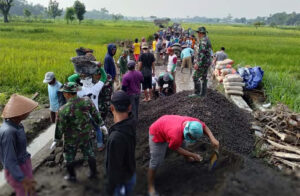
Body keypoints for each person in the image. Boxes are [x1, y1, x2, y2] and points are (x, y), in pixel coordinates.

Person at [147, 115, 219, 196]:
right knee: (156, 162)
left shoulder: (194, 123)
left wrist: (212, 138)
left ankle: (187, 158)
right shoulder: (175, 136)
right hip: (157, 133)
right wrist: (193, 155)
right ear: (187, 132)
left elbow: (204, 126)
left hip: (167, 124)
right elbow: (175, 148)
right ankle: (150, 187)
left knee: (182, 143)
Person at [54, 82, 103, 181]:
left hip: (71, 139)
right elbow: (95, 115)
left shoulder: (63, 109)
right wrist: (101, 124)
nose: (63, 94)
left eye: (64, 92)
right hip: (85, 135)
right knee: (89, 154)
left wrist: (56, 139)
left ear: (67, 93)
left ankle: (72, 176)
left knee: (69, 157)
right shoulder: (87, 101)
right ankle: (93, 173)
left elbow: (60, 127)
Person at [0, 94, 38, 196]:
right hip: (18, 169)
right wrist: (22, 178)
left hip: (24, 164)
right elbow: (9, 160)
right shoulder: (8, 132)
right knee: (24, 192)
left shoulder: (18, 125)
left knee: (30, 191)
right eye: (27, 111)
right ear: (20, 114)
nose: (29, 112)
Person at [106, 90, 136, 196]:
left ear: (112, 108)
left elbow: (113, 169)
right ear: (130, 108)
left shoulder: (115, 138)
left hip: (120, 181)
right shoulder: (132, 122)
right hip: (131, 173)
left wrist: (109, 190)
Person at [74, 57, 108, 151]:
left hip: (84, 115)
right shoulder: (96, 88)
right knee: (98, 128)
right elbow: (104, 77)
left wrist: (79, 74)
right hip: (95, 113)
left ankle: (86, 147)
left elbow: (70, 79)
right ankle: (100, 145)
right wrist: (100, 68)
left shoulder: (79, 90)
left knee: (85, 131)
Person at [189, 27, 212, 97]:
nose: (197, 34)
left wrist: (198, 64)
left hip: (203, 62)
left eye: (198, 33)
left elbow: (202, 53)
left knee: (195, 77)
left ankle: (197, 93)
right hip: (207, 62)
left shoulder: (203, 41)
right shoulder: (207, 39)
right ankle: (203, 94)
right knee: (204, 77)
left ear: (201, 33)